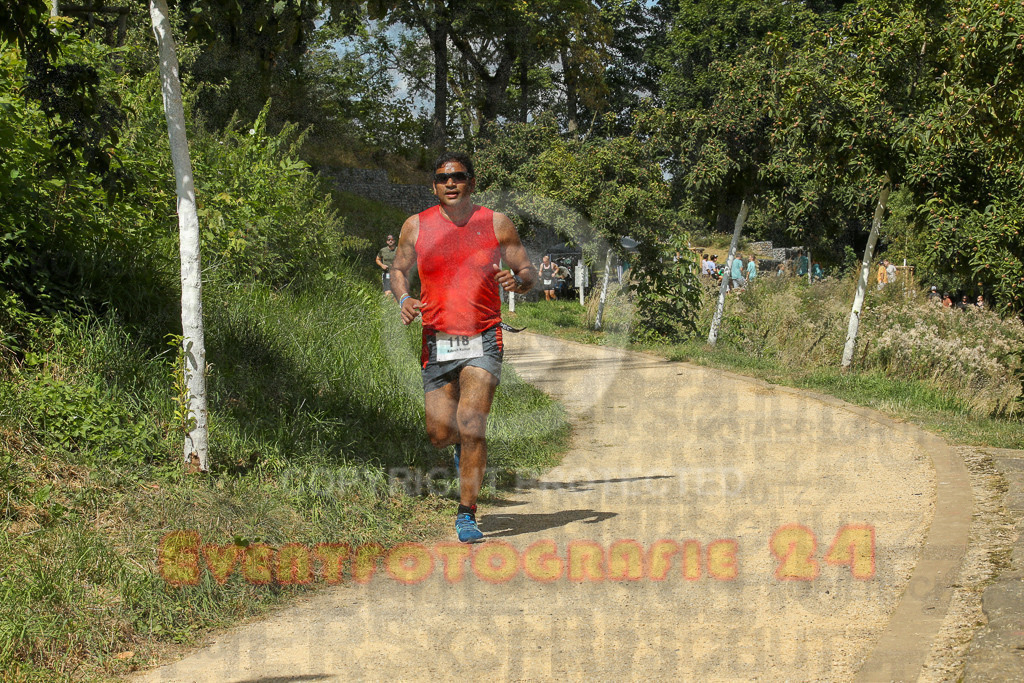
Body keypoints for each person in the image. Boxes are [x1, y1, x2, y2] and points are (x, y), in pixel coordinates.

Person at [390, 152, 535, 544]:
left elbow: (526, 271)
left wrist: (518, 281)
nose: (450, 183)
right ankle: (463, 451)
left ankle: (467, 512)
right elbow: (398, 270)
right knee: (440, 434)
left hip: (483, 336)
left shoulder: (496, 223)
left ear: (472, 182)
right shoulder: (416, 226)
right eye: (442, 178)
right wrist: (404, 298)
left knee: (472, 423)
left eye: (458, 176)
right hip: (436, 339)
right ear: (433, 186)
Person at [375, 234, 398, 299]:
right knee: (388, 293)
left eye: (392, 239)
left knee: (396, 294)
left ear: (394, 241)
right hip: (387, 273)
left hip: (397, 274)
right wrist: (382, 265)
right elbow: (377, 259)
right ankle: (387, 304)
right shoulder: (383, 250)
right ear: (386, 241)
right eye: (389, 240)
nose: (390, 241)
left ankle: (395, 305)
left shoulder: (399, 250)